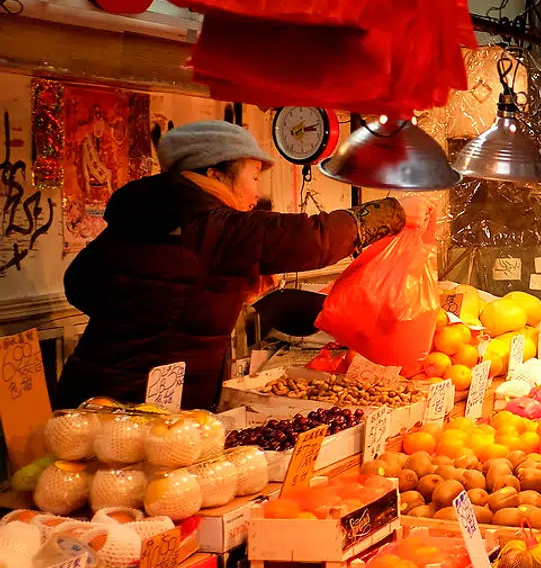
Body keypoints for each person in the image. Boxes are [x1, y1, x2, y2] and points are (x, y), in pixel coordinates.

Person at [61, 120, 409, 410]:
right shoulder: (210, 222)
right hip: (144, 406)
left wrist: (201, 291)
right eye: (254, 177)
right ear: (214, 173)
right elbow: (311, 240)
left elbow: (79, 285)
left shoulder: (142, 217)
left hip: (92, 391)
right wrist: (395, 212)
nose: (256, 193)